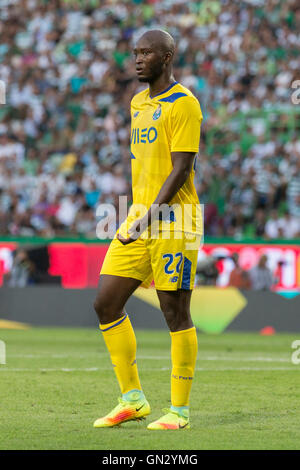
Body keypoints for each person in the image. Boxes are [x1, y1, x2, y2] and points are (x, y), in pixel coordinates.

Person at [93, 29, 203, 431]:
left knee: (175, 311)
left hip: (175, 218)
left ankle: (179, 412)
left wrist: (148, 216)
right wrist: (137, 213)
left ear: (168, 56)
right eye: (135, 53)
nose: (138, 59)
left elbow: (181, 169)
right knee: (106, 302)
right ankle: (132, 399)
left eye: (147, 53)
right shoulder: (138, 102)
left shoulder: (184, 104)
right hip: (138, 213)